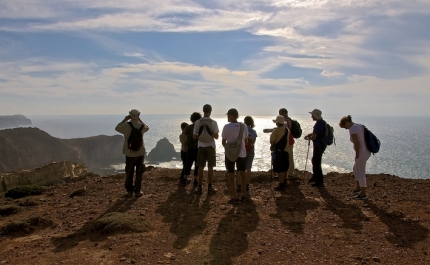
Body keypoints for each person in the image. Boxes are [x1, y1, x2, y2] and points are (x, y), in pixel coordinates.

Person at [115, 109, 149, 198]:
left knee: (129, 172)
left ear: (130, 115)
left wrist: (125, 119)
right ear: (138, 115)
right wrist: (140, 120)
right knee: (139, 173)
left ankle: (129, 191)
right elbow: (147, 127)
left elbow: (117, 128)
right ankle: (137, 191)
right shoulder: (142, 126)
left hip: (129, 153)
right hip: (140, 153)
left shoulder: (126, 126)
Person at [339, 115, 371, 200]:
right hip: (366, 151)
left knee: (360, 172)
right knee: (355, 168)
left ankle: (363, 194)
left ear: (346, 123)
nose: (345, 129)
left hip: (362, 152)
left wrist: (357, 154)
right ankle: (358, 188)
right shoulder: (359, 125)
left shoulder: (352, 129)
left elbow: (357, 143)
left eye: (344, 126)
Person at [222, 108, 249, 202]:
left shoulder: (226, 127)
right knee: (242, 173)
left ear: (232, 115)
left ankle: (234, 196)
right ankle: (244, 194)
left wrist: (230, 148)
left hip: (230, 154)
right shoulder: (243, 126)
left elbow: (223, 142)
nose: (227, 117)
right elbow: (246, 140)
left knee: (231, 174)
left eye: (228, 115)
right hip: (241, 153)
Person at [193, 104, 219, 195]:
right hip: (211, 146)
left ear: (203, 111)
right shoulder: (213, 122)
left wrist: (201, 136)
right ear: (210, 111)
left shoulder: (198, 122)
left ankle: (199, 187)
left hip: (201, 146)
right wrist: (211, 134)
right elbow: (216, 136)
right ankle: (210, 187)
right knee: (210, 167)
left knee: (201, 167)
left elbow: (194, 136)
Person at [304, 109, 326, 187]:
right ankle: (316, 176)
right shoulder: (322, 123)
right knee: (315, 160)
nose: (311, 116)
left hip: (318, 146)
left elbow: (314, 137)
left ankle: (319, 180)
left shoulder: (318, 124)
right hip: (321, 145)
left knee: (316, 162)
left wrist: (308, 138)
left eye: (312, 115)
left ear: (316, 115)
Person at [270, 115, 290, 190]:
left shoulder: (276, 131)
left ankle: (281, 184)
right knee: (285, 167)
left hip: (278, 151)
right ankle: (285, 181)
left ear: (277, 123)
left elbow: (272, 142)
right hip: (286, 150)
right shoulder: (287, 130)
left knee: (279, 168)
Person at [183, 112, 202, 186]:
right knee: (197, 164)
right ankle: (195, 179)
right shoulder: (200, 127)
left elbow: (184, 137)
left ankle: (185, 178)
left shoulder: (188, 127)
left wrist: (184, 146)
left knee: (188, 163)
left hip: (190, 148)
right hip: (198, 148)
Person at [279, 108, 296, 178]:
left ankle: (290, 172)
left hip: (288, 141)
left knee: (289, 156)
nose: (280, 115)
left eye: (280, 113)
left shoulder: (287, 121)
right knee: (287, 156)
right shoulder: (287, 120)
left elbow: (284, 130)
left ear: (284, 113)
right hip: (287, 141)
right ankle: (288, 172)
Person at [242, 116, 257, 193]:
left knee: (241, 168)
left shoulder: (243, 130)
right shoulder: (254, 132)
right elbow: (253, 142)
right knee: (248, 168)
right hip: (251, 150)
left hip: (243, 150)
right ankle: (247, 184)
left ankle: (239, 184)